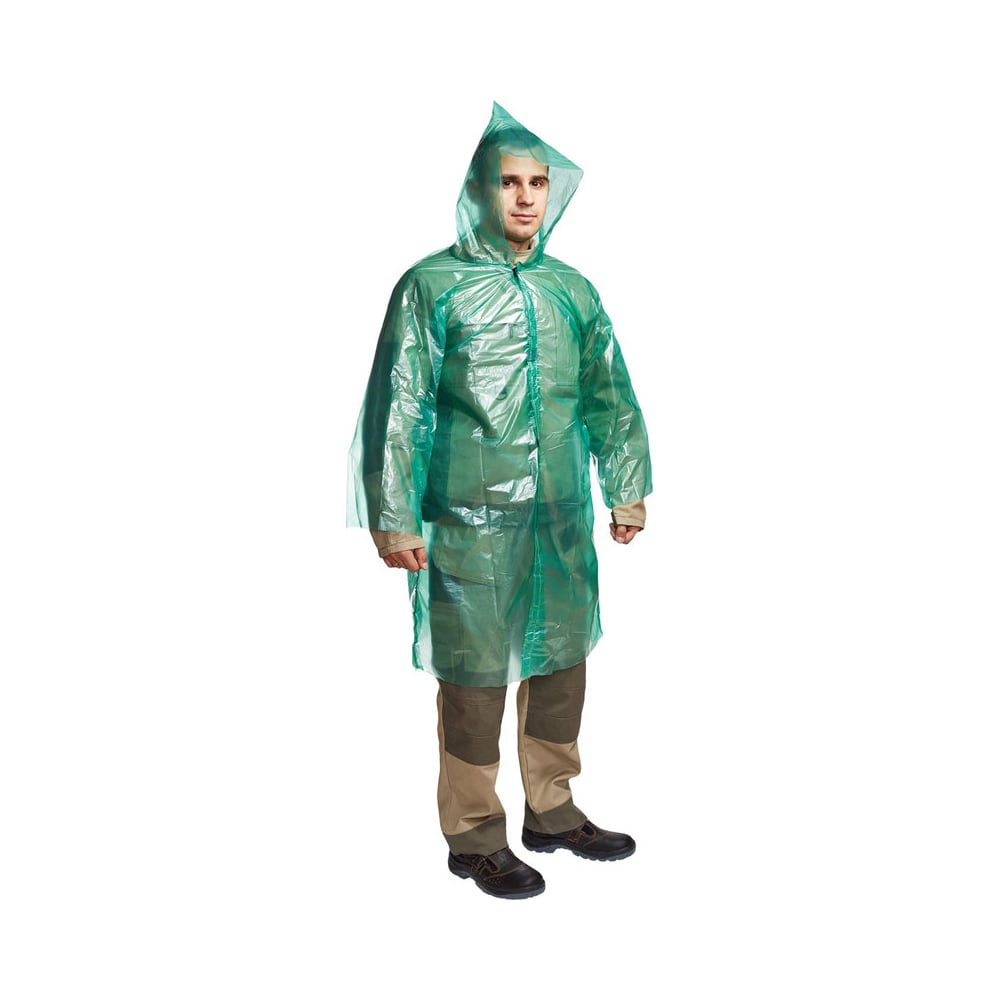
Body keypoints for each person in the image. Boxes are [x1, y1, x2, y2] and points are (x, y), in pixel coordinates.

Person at [348, 103, 652, 899]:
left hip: (560, 517)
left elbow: (609, 395)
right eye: (508, 182)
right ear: (479, 191)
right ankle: (475, 835)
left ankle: (552, 810)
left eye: (537, 183)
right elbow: (398, 405)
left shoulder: (571, 290)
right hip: (466, 521)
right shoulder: (431, 287)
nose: (524, 197)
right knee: (475, 679)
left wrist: (626, 489)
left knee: (562, 663)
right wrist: (393, 516)